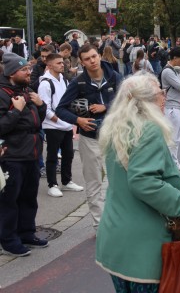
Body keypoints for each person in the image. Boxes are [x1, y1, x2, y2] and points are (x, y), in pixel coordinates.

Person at [95, 73, 180, 291]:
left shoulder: (117, 127)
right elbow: (144, 181)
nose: (164, 98)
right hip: (143, 246)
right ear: (146, 101)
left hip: (115, 238)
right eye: (160, 93)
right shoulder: (149, 129)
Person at [56, 44, 123, 230]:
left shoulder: (115, 77)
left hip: (115, 137)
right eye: (87, 59)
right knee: (94, 182)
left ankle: (116, 221)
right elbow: (60, 108)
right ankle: (99, 226)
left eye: (94, 56)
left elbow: (128, 101)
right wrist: (78, 120)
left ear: (100, 55)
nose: (92, 61)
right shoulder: (78, 83)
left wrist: (106, 107)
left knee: (118, 182)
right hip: (90, 138)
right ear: (82, 62)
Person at [0, 53, 48, 257]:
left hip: (32, 153)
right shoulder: (3, 93)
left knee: (29, 197)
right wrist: (16, 111)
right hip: (12, 155)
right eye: (24, 69)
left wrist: (41, 105)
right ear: (12, 73)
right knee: (10, 201)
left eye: (29, 68)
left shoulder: (27, 90)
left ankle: (26, 232)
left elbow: (38, 120)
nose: (29, 72)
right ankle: (9, 240)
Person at [37, 54, 84, 197]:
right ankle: (52, 184)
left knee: (68, 154)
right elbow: (45, 108)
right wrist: (58, 119)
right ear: (50, 65)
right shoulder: (45, 83)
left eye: (62, 63)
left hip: (66, 124)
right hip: (53, 126)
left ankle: (66, 181)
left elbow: (67, 101)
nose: (62, 65)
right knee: (52, 156)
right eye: (58, 63)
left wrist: (70, 119)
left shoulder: (63, 79)